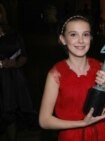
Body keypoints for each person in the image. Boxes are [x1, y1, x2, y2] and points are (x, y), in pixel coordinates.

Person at [39, 15, 105, 141]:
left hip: (101, 134)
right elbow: (44, 120)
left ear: (91, 38)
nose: (81, 40)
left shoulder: (101, 67)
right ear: (63, 39)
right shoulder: (56, 74)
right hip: (71, 136)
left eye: (86, 34)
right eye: (73, 35)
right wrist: (82, 123)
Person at [0, 3, 37, 141]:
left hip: (12, 80)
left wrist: (15, 63)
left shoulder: (12, 33)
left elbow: (24, 56)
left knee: (11, 114)